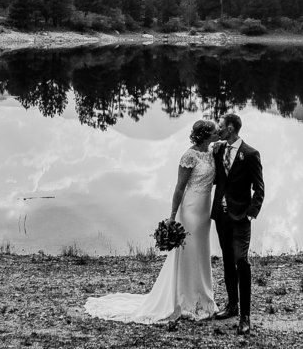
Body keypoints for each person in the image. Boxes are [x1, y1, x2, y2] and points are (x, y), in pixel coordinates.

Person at [84, 119, 219, 324]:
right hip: (190, 210)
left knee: (200, 252)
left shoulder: (211, 152)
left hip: (205, 212)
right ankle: (184, 299)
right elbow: (179, 188)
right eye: (214, 131)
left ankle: (203, 297)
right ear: (205, 135)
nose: (217, 133)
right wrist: (172, 217)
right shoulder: (189, 156)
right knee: (187, 253)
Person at [211, 113, 264, 336]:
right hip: (221, 217)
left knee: (242, 261)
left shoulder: (250, 154)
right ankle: (232, 306)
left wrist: (251, 214)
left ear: (231, 129)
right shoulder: (219, 150)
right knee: (227, 260)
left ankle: (245, 317)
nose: (218, 130)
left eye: (221, 127)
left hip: (241, 218)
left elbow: (259, 189)